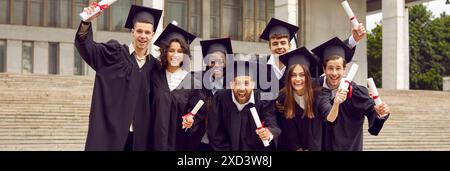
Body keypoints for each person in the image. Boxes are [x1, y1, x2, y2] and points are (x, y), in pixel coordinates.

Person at [75, 4, 162, 151]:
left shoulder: (155, 67)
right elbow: (86, 47)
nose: (143, 36)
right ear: (132, 32)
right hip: (110, 137)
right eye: (139, 31)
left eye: (147, 32)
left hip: (140, 140)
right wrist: (86, 22)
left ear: (152, 35)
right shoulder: (113, 54)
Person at [313, 37, 391, 151]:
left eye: (338, 68)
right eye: (330, 68)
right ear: (324, 69)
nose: (334, 73)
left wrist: (380, 113)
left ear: (344, 69)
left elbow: (372, 112)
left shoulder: (356, 92)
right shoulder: (315, 88)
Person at [150, 23, 201, 151]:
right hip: (152, 141)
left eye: (180, 51)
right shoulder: (154, 76)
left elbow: (197, 112)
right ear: (165, 52)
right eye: (171, 50)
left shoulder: (192, 82)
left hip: (179, 143)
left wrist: (191, 119)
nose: (175, 54)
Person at [208, 61, 281, 151]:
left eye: (246, 83)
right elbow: (215, 131)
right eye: (238, 83)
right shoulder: (221, 98)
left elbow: (271, 123)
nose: (242, 88)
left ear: (253, 85)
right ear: (231, 84)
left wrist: (268, 132)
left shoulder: (263, 99)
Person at [186, 38, 234, 151]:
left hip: (224, 141)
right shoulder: (196, 80)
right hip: (201, 139)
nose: (217, 65)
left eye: (221, 61)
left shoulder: (233, 83)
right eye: (213, 61)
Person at [276, 47, 324, 151]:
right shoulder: (283, 97)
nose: (298, 79)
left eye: (302, 75)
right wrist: (296, 148)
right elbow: (287, 127)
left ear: (308, 76)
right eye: (293, 75)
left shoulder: (318, 94)